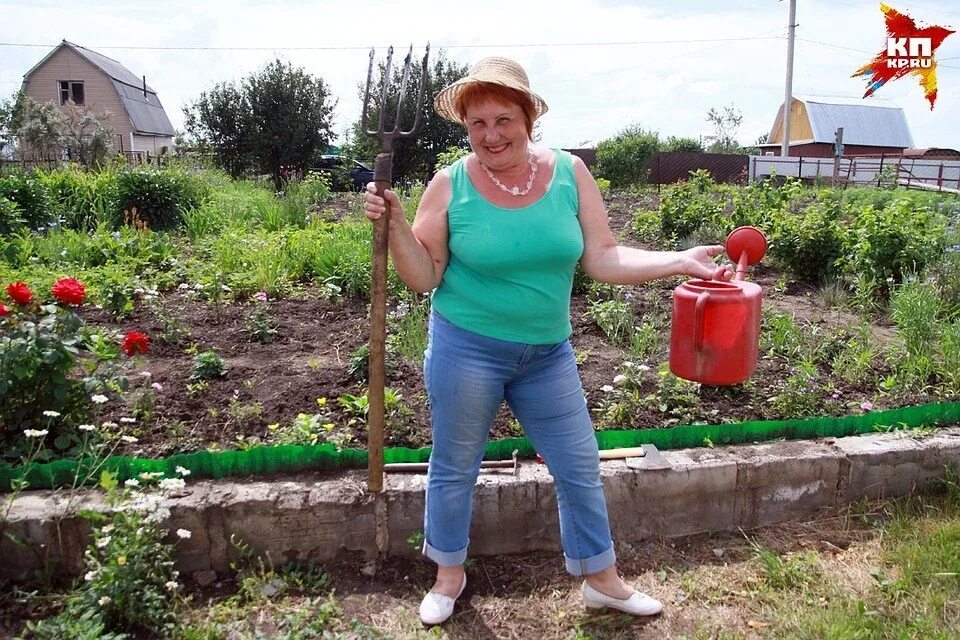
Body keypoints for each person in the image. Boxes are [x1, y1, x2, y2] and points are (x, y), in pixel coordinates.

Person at [363, 56, 733, 626]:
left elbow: (603, 256)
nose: (490, 135)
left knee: (579, 462)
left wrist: (678, 260)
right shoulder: (450, 184)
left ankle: (601, 579)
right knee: (456, 463)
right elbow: (423, 275)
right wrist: (393, 226)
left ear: (529, 116)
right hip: (468, 347)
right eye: (477, 123)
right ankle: (448, 574)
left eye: (503, 119)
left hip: (546, 353)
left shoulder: (569, 173)